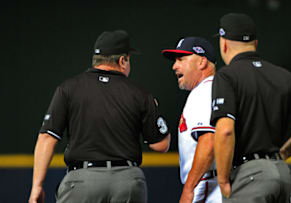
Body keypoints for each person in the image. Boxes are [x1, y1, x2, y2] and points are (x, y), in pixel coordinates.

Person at [28, 30, 171, 203]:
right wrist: (155, 110)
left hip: (82, 181)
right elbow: (161, 145)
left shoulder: (69, 88)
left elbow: (46, 138)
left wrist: (37, 186)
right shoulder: (139, 94)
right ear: (122, 60)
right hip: (127, 182)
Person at [210, 13, 291, 203]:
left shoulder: (227, 76)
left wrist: (223, 179)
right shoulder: (283, 75)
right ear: (255, 43)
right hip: (281, 173)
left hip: (248, 175)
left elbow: (224, 131)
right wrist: (283, 154)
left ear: (224, 43)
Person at [162, 37, 222, 203]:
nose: (175, 66)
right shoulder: (218, 89)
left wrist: (189, 188)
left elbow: (208, 141)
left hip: (208, 184)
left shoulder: (204, 91)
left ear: (202, 62)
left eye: (181, 59)